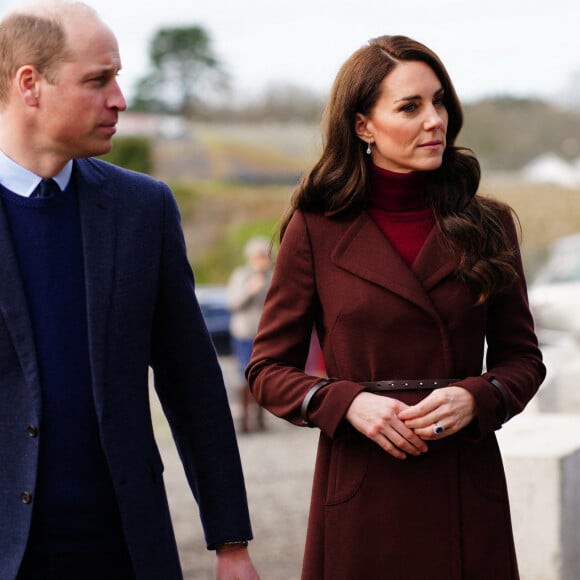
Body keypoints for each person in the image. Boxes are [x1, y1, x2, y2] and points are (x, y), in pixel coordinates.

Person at [246, 35, 546, 580]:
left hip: (462, 481)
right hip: (362, 487)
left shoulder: (489, 225)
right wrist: (343, 402)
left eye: (439, 102)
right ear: (364, 125)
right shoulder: (314, 228)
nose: (435, 120)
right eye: (410, 107)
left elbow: (523, 360)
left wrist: (477, 396)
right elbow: (267, 370)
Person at [0, 2, 259, 579]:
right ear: (29, 84)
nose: (119, 99)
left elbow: (192, 383)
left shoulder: (143, 209)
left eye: (117, 77)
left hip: (124, 548)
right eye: (98, 80)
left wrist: (231, 543)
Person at [226, 237, 273, 433]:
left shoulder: (273, 275)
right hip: (244, 333)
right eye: (259, 256)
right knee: (244, 376)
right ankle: (243, 420)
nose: (263, 259)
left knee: (264, 375)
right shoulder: (241, 275)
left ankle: (261, 418)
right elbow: (233, 303)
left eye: (265, 256)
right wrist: (250, 289)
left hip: (265, 333)